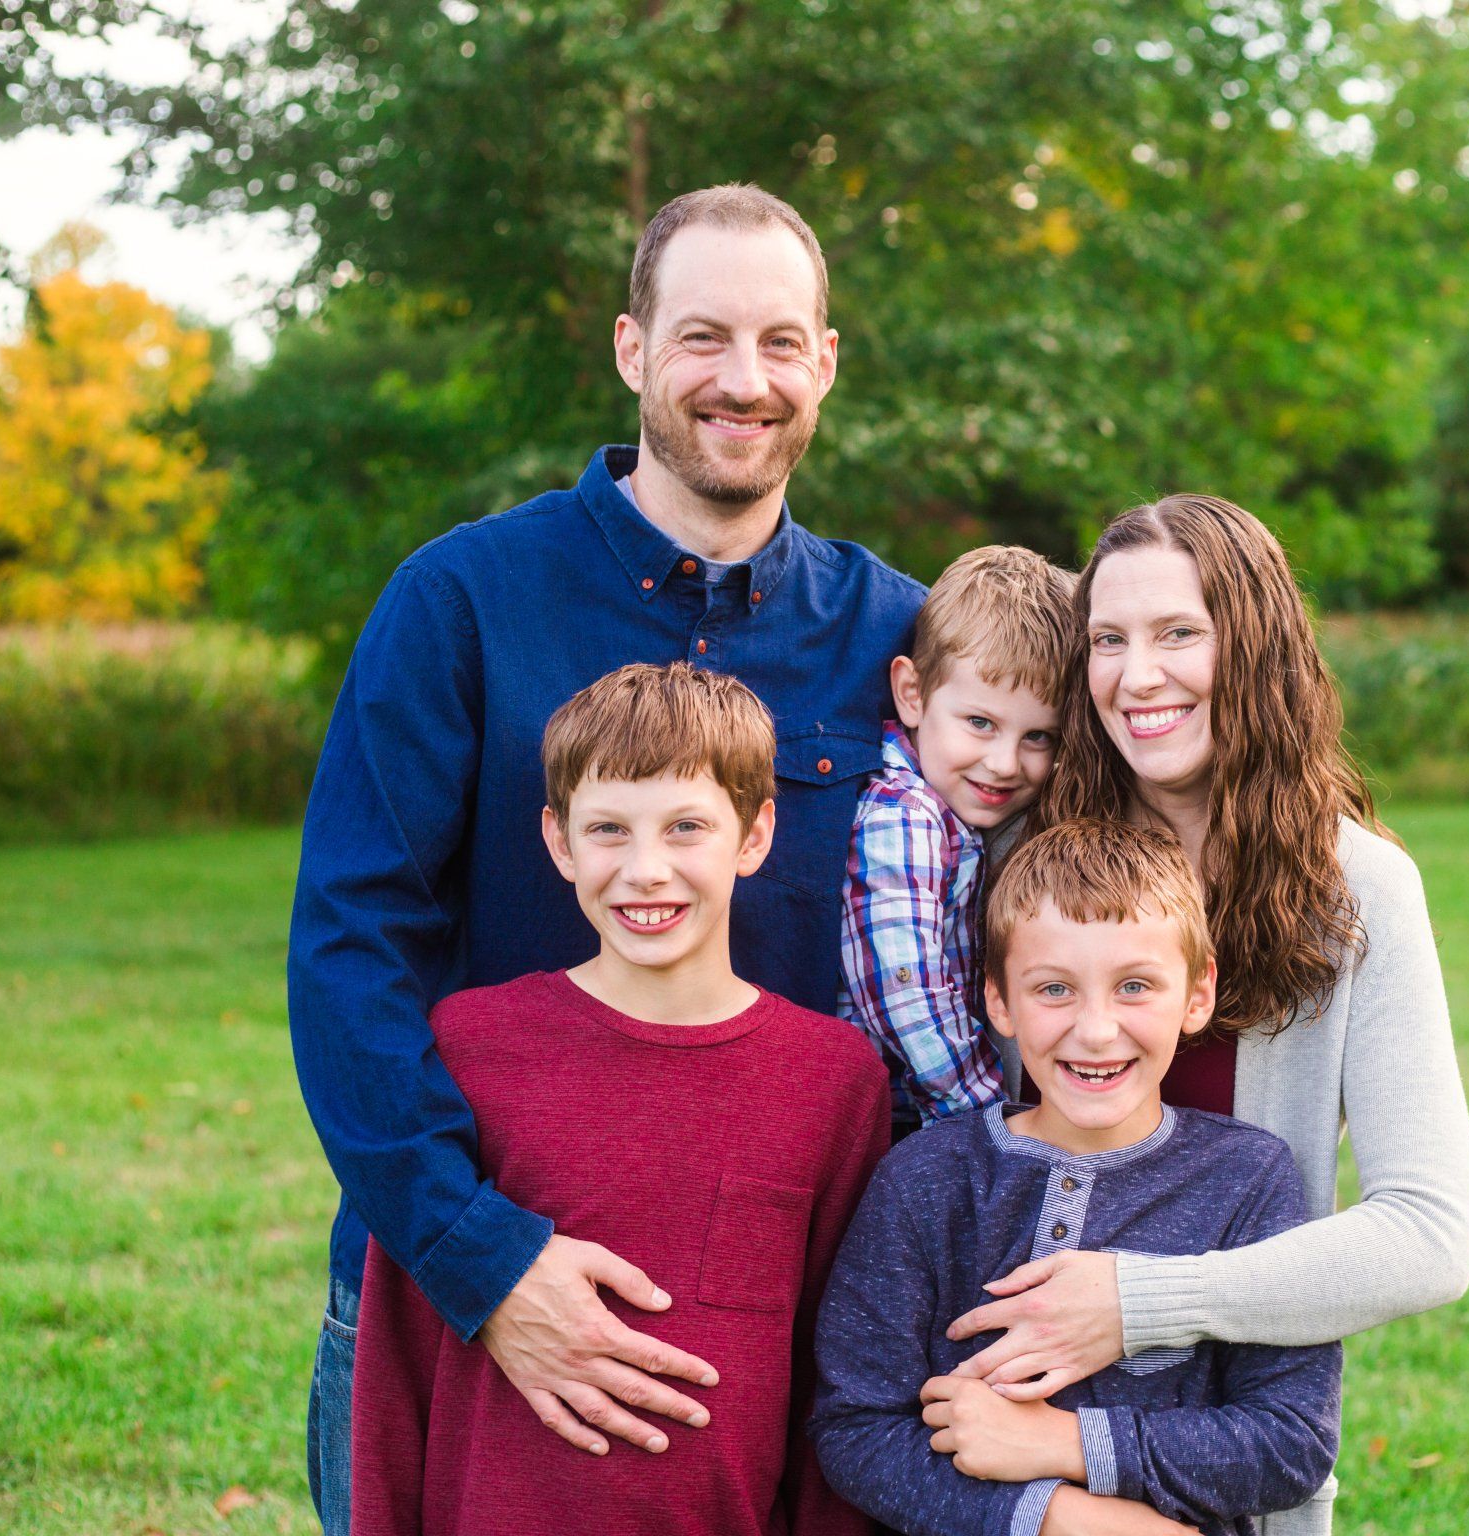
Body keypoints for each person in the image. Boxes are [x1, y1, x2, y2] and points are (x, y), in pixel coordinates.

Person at [287, 183, 924, 1533]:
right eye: (701, 339)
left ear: (825, 363)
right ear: (633, 351)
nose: (740, 382)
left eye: (777, 343)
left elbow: (1058, 872)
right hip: (456, 1297)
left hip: (767, 1325)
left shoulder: (905, 644)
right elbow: (352, 950)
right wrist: (483, 1262)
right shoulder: (462, 601)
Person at [944, 495, 1469, 1535]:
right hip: (1003, 1461)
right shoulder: (1020, 860)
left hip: (1231, 1472)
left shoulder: (1357, 894)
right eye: (1109, 640)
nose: (1137, 675)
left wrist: (1137, 1303)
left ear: (1259, 648)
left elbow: (1430, 1235)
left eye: (1179, 633)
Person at [349, 664, 887, 1536]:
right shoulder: (470, 1047)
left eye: (686, 828)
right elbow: (396, 1368)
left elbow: (837, 1375)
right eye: (608, 830)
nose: (645, 871)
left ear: (754, 836)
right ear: (559, 843)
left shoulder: (832, 1079)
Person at [812, 818, 1341, 1536]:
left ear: (1197, 992)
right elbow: (856, 1428)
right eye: (1054, 989)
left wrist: (1064, 1445)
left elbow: (1290, 1442)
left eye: (1134, 987)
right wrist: (1059, 1518)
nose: (1095, 1030)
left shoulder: (1249, 1179)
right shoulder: (926, 1177)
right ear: (999, 999)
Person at [839, 544, 1073, 1132]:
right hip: (892, 1113)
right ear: (912, 694)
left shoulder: (950, 813)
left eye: (1038, 737)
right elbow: (902, 989)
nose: (1003, 763)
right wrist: (985, 1114)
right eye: (980, 723)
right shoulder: (906, 813)